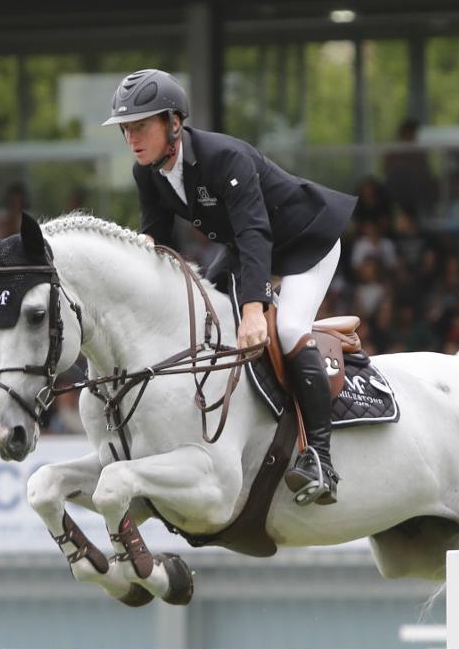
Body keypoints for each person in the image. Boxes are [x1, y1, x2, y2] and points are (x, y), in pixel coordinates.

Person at [110, 69, 356, 505]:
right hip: (248, 249)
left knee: (287, 328)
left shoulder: (224, 157)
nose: (132, 137)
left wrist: (254, 309)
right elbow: (157, 240)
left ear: (173, 122)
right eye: (127, 129)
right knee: (205, 304)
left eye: (141, 126)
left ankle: (320, 458)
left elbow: (255, 231)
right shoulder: (146, 172)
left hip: (304, 241)